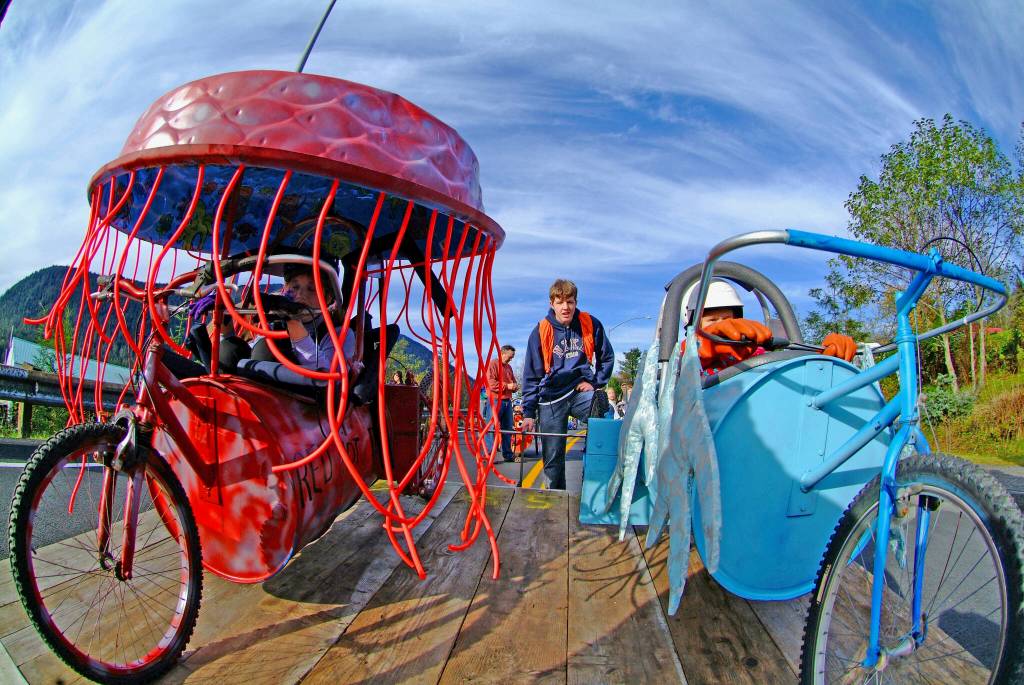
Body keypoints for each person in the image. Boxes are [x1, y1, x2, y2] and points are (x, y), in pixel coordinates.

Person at [521, 279, 615, 489]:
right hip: (551, 398)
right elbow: (531, 374)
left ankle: (595, 485)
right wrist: (528, 412)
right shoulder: (541, 330)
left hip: (579, 391)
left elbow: (606, 357)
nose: (566, 307)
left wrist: (596, 382)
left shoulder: (590, 323)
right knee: (553, 459)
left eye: (570, 302)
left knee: (604, 408)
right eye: (560, 302)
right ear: (552, 303)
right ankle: (556, 501)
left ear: (575, 302)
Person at [685, 280, 856, 373]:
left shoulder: (755, 353)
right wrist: (710, 342)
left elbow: (787, 370)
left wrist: (824, 356)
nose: (723, 324)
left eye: (728, 318)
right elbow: (689, 357)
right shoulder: (686, 359)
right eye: (713, 320)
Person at [486, 345, 519, 462]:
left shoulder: (509, 367)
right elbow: (490, 383)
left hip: (507, 401)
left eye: (512, 357)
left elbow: (513, 382)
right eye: (510, 357)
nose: (511, 359)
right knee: (491, 428)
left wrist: (514, 386)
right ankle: (489, 455)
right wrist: (507, 386)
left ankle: (508, 454)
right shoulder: (493, 364)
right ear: (502, 353)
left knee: (507, 428)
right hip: (495, 400)